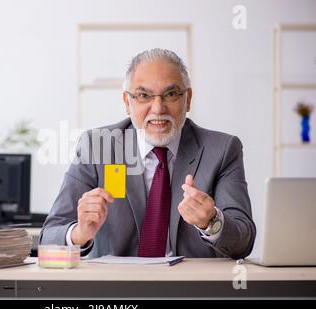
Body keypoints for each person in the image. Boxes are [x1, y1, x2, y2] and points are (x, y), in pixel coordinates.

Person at [39, 48, 256, 259]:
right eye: (144, 95)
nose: (158, 108)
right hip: (116, 290)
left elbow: (243, 242)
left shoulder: (223, 150)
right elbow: (48, 238)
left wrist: (211, 222)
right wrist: (80, 234)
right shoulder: (96, 146)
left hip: (191, 289)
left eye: (170, 94)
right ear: (127, 102)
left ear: (187, 99)